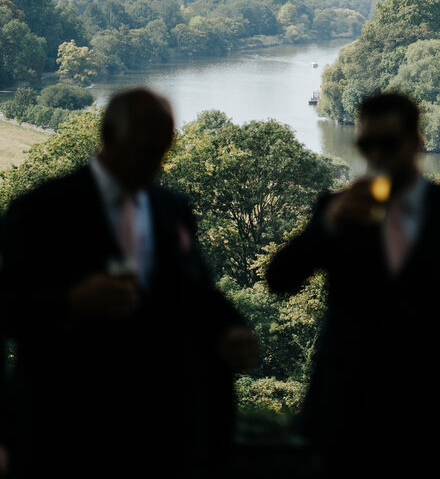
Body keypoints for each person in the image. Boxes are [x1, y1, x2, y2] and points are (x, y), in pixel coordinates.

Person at [0, 88, 256, 477]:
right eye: (143, 148)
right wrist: (70, 302)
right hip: (67, 425)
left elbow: (198, 291)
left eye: (161, 150)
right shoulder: (43, 209)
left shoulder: (172, 207)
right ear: (107, 135)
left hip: (161, 426)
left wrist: (232, 328)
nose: (152, 163)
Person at [266, 92, 440, 477]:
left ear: (416, 141)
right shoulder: (336, 209)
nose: (377, 155)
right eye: (367, 144)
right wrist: (328, 225)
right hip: (347, 412)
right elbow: (280, 279)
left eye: (389, 143)